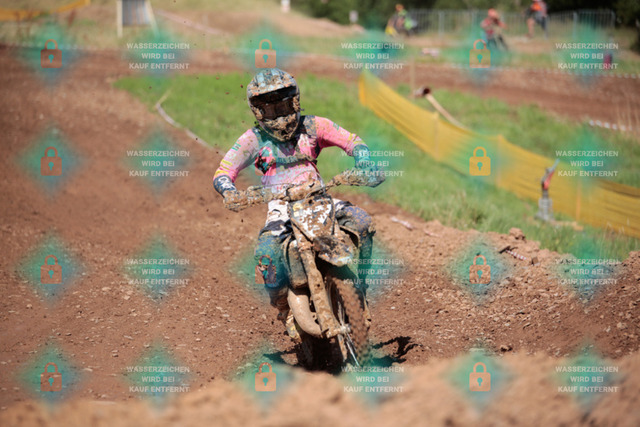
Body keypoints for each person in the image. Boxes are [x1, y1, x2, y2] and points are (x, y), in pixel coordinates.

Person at [213, 68, 384, 319]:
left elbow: (352, 141)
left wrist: (364, 162)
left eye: (283, 106)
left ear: (295, 102)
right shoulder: (253, 139)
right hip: (281, 207)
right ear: (258, 112)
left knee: (363, 223)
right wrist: (229, 191)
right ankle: (283, 307)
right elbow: (224, 171)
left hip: (319, 198)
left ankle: (362, 284)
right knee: (266, 253)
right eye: (270, 110)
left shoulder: (313, 126)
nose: (279, 116)